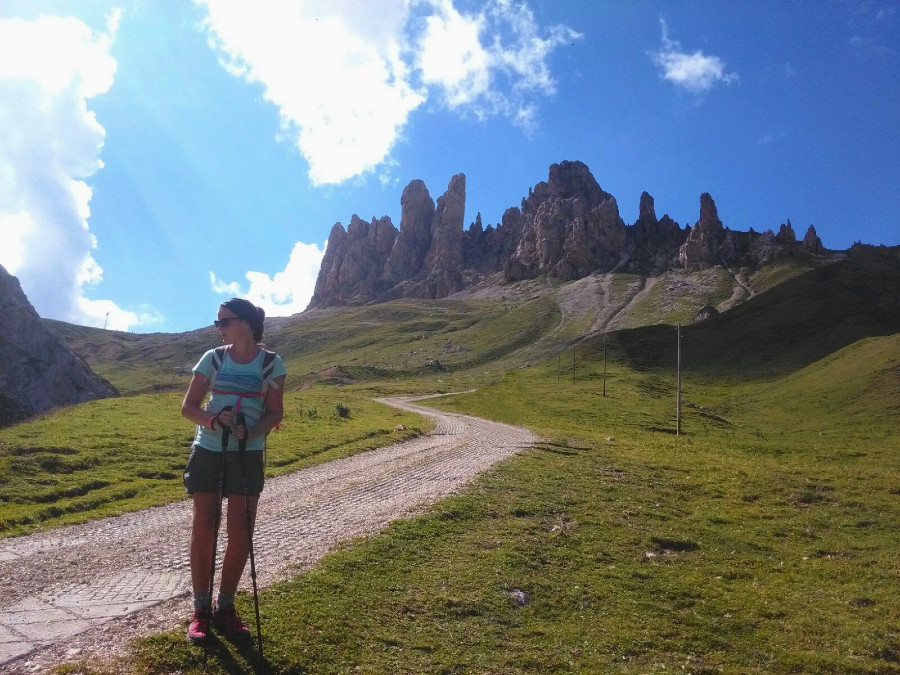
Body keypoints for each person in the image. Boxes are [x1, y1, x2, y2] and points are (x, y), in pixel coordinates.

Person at [180, 298, 286, 643]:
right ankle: (201, 611)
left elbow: (275, 414)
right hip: (208, 448)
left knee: (241, 528)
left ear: (245, 323)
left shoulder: (272, 363)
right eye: (218, 322)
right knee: (205, 525)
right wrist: (212, 420)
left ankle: (225, 607)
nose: (219, 327)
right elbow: (188, 408)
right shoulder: (213, 358)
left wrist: (252, 430)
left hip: (247, 451)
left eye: (224, 321)